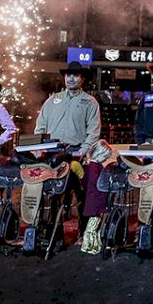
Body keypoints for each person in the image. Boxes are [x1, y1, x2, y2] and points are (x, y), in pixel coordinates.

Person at [34, 60, 102, 236]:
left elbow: (94, 131)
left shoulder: (90, 101)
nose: (71, 78)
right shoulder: (52, 100)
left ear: (82, 79)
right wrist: (39, 146)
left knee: (83, 193)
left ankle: (84, 231)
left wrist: (83, 150)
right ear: (64, 78)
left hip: (76, 151)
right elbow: (40, 126)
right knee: (47, 192)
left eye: (75, 75)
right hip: (52, 152)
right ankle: (49, 230)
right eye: (68, 75)